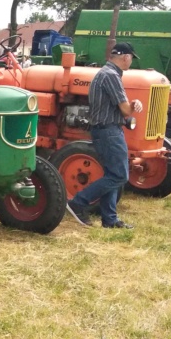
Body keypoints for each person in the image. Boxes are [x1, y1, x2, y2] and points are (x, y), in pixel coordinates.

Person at [65, 42, 143, 229]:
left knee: (112, 174)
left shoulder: (105, 73)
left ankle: (110, 219)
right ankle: (78, 202)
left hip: (106, 129)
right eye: (131, 58)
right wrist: (135, 105)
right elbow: (125, 109)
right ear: (125, 57)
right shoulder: (111, 75)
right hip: (109, 130)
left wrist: (131, 106)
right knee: (119, 176)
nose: (131, 61)